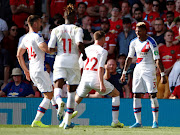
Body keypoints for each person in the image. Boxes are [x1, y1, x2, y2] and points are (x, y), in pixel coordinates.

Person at [74, 31, 124, 128]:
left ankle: (66, 120)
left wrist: (78, 80)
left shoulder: (86, 49)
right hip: (95, 78)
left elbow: (80, 66)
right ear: (103, 39)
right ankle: (115, 121)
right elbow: (101, 68)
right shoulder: (103, 51)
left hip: (85, 78)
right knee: (116, 94)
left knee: (77, 99)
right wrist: (101, 84)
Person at [120, 22, 167, 128]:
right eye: (136, 31)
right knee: (136, 94)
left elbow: (157, 59)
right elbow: (129, 58)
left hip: (149, 69)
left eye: (139, 31)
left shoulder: (151, 42)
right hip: (138, 69)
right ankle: (138, 122)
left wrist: (163, 74)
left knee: (152, 94)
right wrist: (124, 73)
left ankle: (155, 121)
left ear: (145, 31)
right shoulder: (133, 42)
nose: (137, 33)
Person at [48, 4, 86, 129]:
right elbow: (79, 44)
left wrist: (57, 50)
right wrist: (84, 54)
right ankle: (68, 122)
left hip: (60, 60)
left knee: (57, 85)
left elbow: (50, 48)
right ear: (74, 17)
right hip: (73, 61)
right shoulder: (77, 29)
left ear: (64, 17)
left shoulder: (56, 30)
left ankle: (59, 103)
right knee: (71, 91)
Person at [17, 15, 55, 127]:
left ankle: (62, 115)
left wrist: (25, 70)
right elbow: (45, 49)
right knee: (48, 95)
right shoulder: (37, 36)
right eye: (39, 22)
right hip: (40, 69)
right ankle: (37, 120)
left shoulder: (25, 38)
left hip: (33, 70)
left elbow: (19, 55)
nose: (41, 24)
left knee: (49, 93)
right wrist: (56, 50)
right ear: (34, 24)